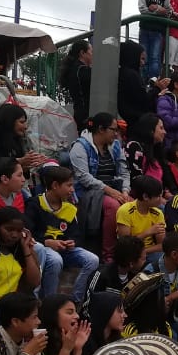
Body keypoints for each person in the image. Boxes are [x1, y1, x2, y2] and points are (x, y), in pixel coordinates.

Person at [26, 164, 100, 303]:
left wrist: (71, 242)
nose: (72, 190)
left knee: (92, 259)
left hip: (65, 249)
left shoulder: (70, 208)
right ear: (55, 185)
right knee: (55, 260)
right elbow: (28, 232)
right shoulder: (35, 204)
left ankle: (76, 299)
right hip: (43, 248)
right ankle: (50, 301)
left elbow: (76, 235)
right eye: (69, 185)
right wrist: (47, 242)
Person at [71, 112, 130, 262]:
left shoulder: (115, 146)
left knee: (134, 205)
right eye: (113, 129)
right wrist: (110, 191)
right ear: (101, 129)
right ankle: (108, 254)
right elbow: (84, 178)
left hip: (113, 190)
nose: (116, 134)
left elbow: (124, 171)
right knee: (113, 206)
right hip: (89, 192)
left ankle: (132, 250)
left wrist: (125, 191)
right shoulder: (80, 147)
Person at [137, 0, 170, 82]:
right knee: (143, 57)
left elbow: (169, 12)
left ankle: (153, 82)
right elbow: (142, 9)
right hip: (144, 29)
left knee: (155, 58)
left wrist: (157, 8)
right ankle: (144, 81)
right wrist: (158, 11)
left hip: (158, 31)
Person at [59, 40, 93, 126]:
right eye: (91, 51)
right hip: (87, 116)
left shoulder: (73, 69)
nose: (93, 54)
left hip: (79, 114)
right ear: (82, 53)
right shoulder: (82, 70)